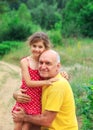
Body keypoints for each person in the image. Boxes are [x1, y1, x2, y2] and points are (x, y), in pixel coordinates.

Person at [12, 32, 69, 130]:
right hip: (26, 97)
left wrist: (62, 74)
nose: (37, 49)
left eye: (40, 47)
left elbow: (54, 69)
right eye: (34, 46)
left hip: (37, 100)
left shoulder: (43, 62)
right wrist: (46, 82)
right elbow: (28, 83)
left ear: (45, 48)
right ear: (30, 45)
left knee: (27, 126)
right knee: (18, 123)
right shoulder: (25, 62)